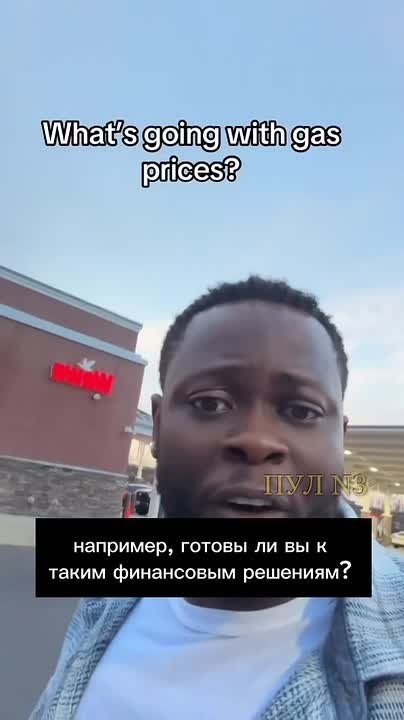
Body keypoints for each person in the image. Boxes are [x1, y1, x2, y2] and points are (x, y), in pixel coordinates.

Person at [30, 276, 404, 719]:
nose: (256, 441)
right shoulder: (104, 599)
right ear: (159, 425)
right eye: (210, 403)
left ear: (339, 442)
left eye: (301, 411)